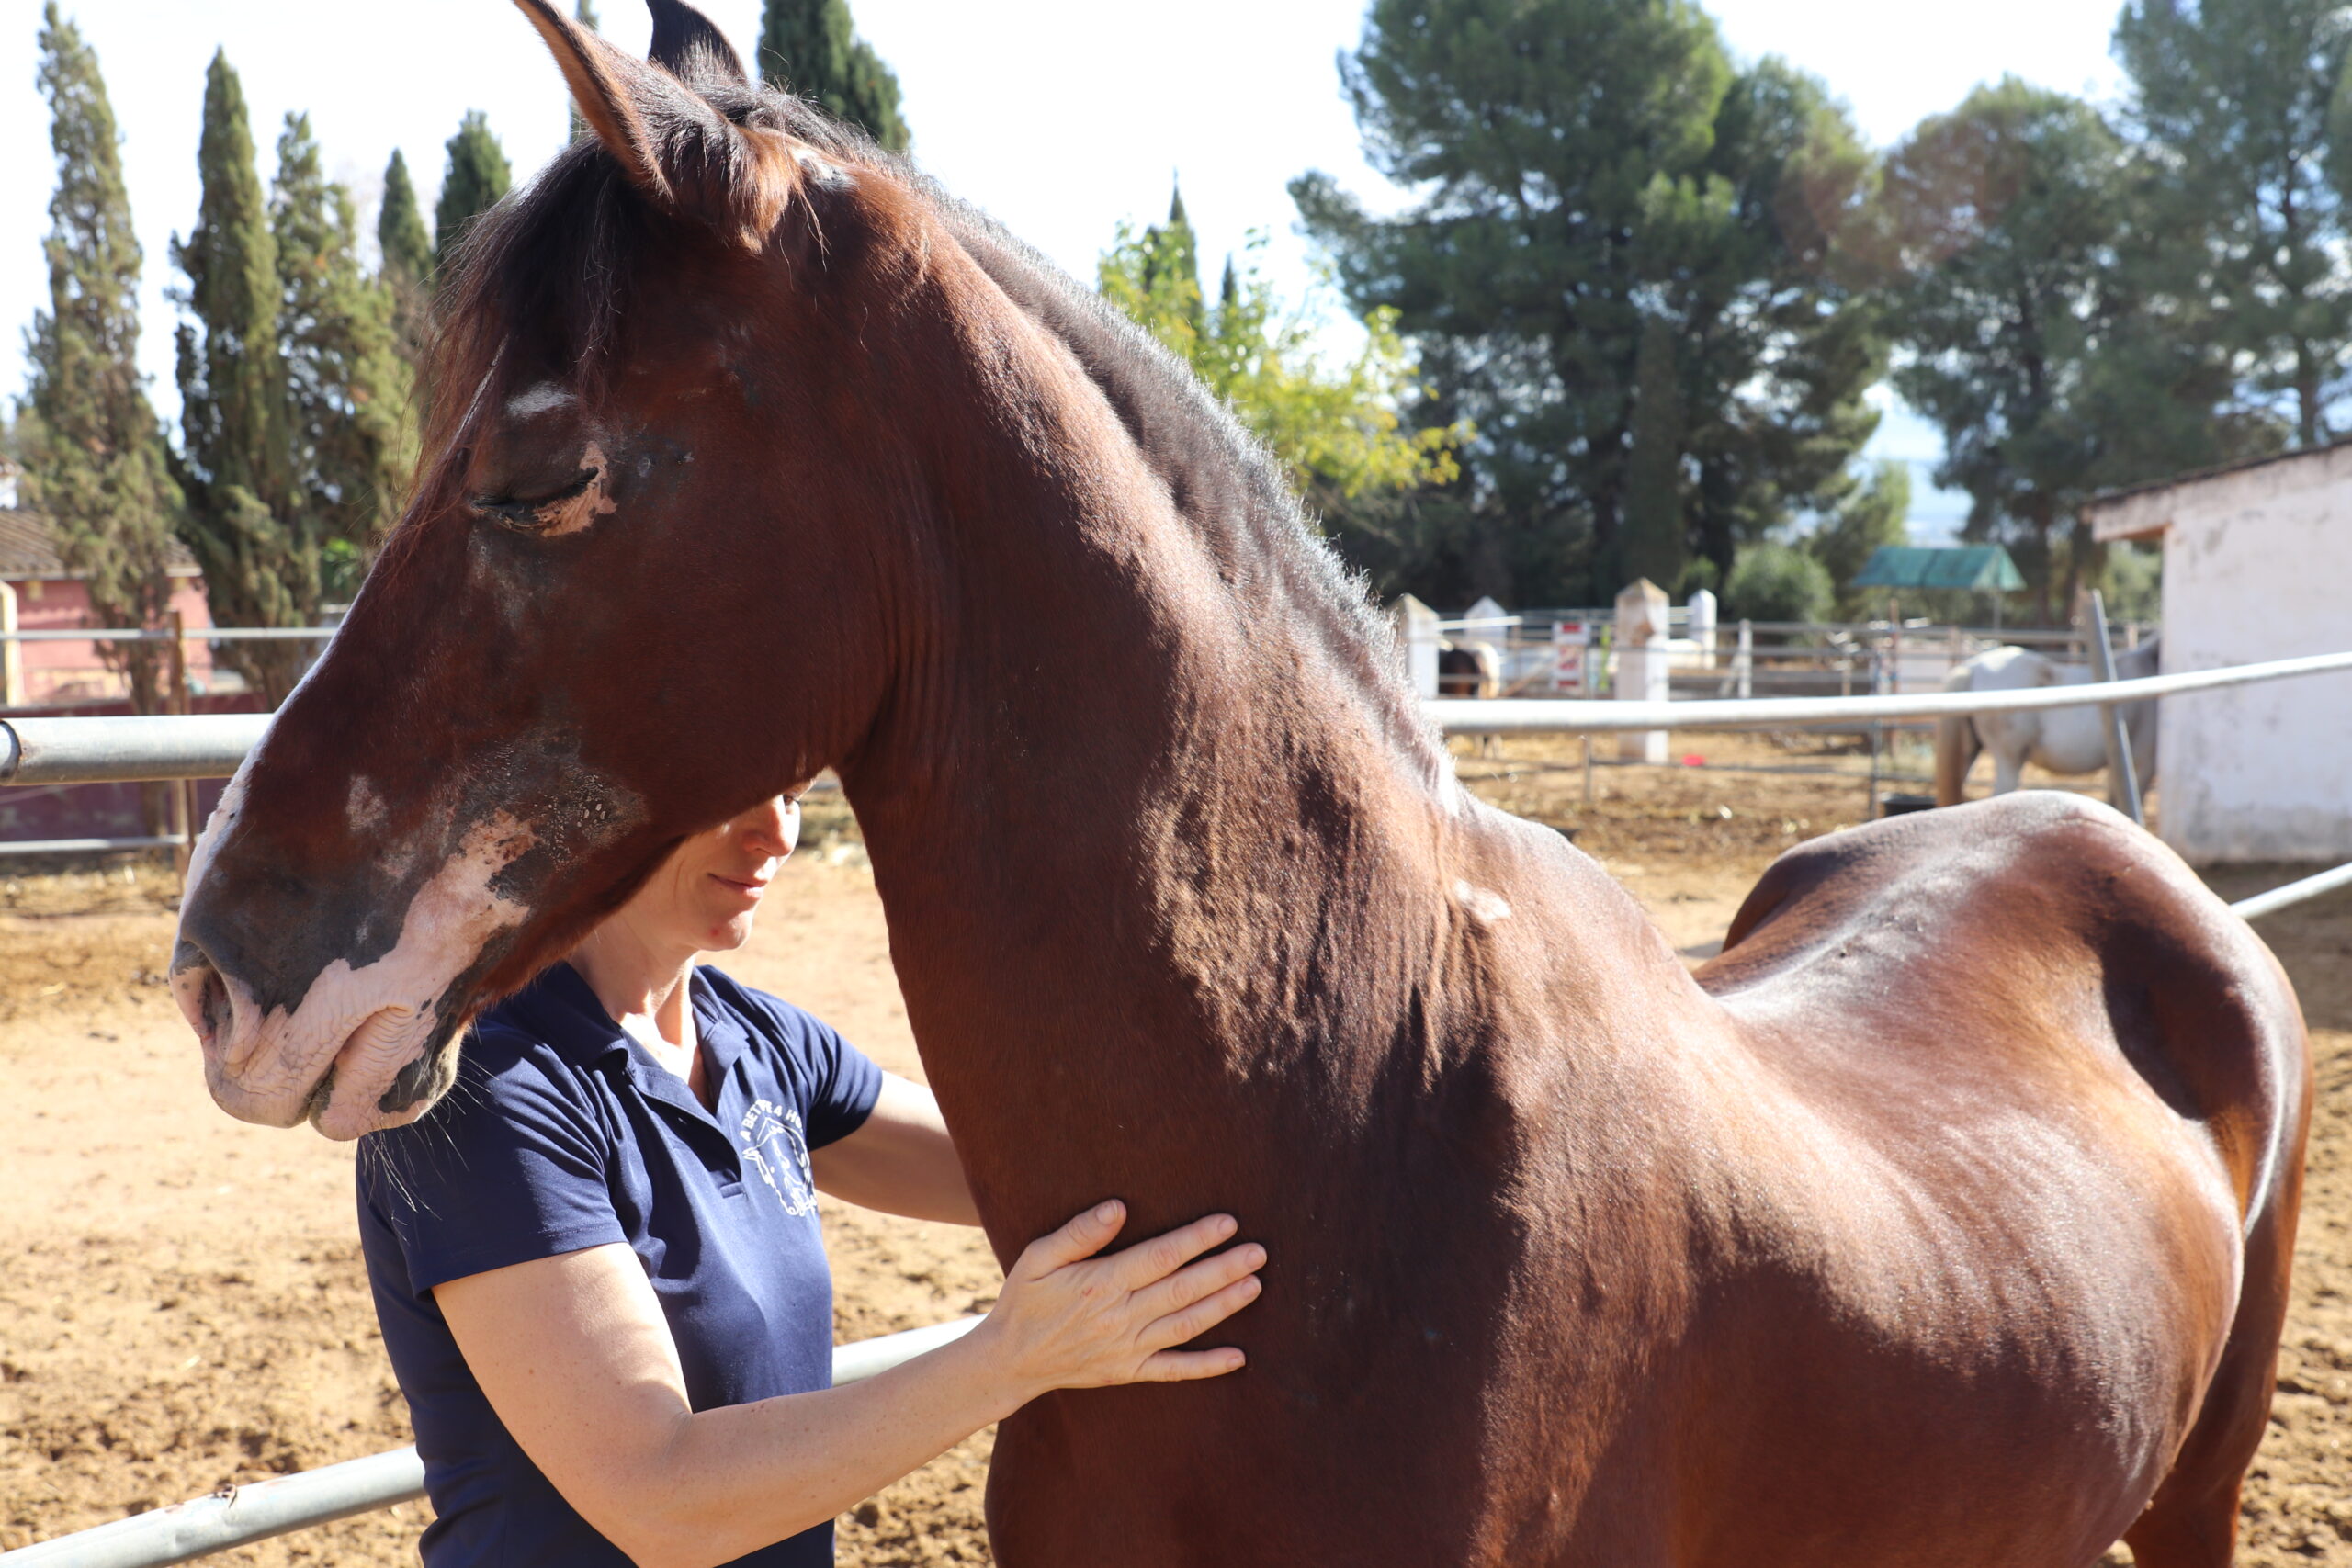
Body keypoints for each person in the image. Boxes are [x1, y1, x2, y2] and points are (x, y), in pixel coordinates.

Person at [357, 794, 1266, 1568]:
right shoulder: (487, 1090)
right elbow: (659, 1500)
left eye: (792, 792)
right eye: (738, 794)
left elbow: (1040, 1176)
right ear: (609, 798)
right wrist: (1013, 1358)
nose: (778, 833)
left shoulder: (752, 1040)